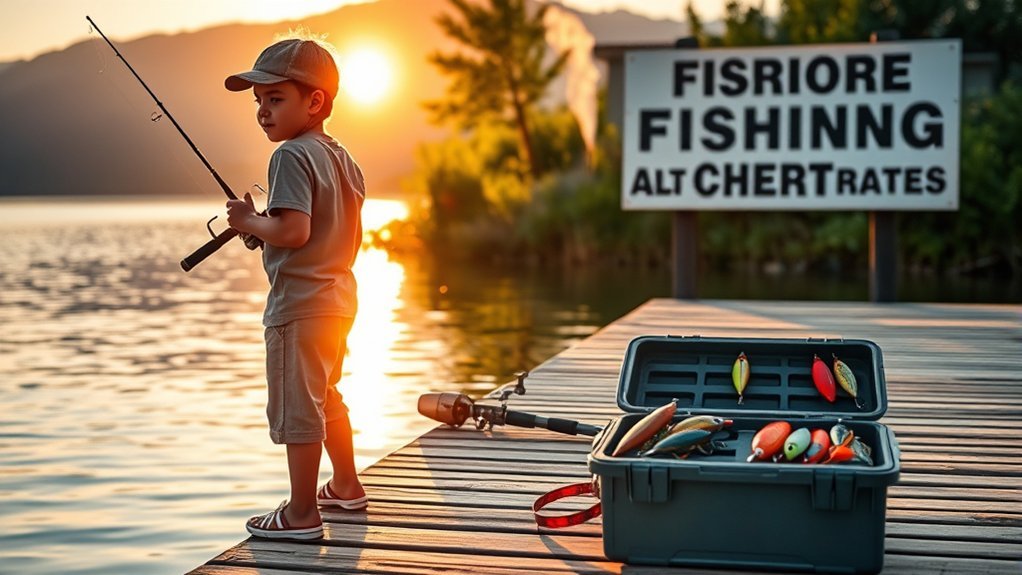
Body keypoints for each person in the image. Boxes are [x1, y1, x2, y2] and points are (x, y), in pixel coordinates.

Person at [223, 36, 367, 540]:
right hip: (339, 302)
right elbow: (321, 230)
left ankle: (302, 511)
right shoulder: (343, 158)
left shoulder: (289, 156)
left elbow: (294, 232)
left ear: (315, 102)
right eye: (258, 101)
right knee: (326, 394)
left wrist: (248, 220)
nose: (262, 111)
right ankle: (346, 484)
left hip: (299, 306)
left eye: (275, 99)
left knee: (298, 405)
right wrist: (263, 227)